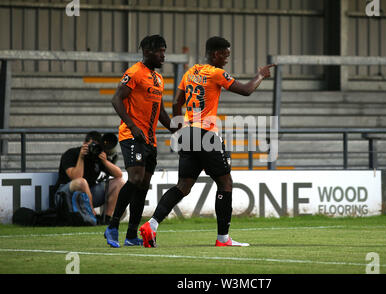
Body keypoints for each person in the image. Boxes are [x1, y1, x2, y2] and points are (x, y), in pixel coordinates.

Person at [139, 36, 274, 247]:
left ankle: (152, 225)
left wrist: (179, 131)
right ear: (215, 54)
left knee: (183, 186)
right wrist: (260, 75)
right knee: (225, 183)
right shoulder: (216, 73)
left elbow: (176, 103)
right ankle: (223, 239)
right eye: (225, 55)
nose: (227, 60)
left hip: (188, 133)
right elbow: (247, 90)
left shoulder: (190, 72)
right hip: (206, 135)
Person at [104, 35, 174, 248]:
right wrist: (133, 127)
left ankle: (132, 234)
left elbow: (160, 111)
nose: (163, 55)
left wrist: (175, 129)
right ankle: (112, 226)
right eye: (160, 51)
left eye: (164, 50)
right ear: (147, 51)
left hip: (150, 140)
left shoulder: (158, 79)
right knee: (134, 179)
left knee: (143, 184)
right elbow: (116, 99)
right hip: (132, 136)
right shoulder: (134, 73)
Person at [55, 131, 125, 224]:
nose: (94, 148)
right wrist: (81, 157)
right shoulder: (71, 153)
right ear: (85, 144)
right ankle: (94, 216)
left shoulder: (97, 155)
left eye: (97, 145)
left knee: (119, 182)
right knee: (82, 182)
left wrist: (105, 161)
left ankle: (106, 218)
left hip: (88, 194)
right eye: (92, 145)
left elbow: (119, 175)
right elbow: (76, 177)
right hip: (65, 195)